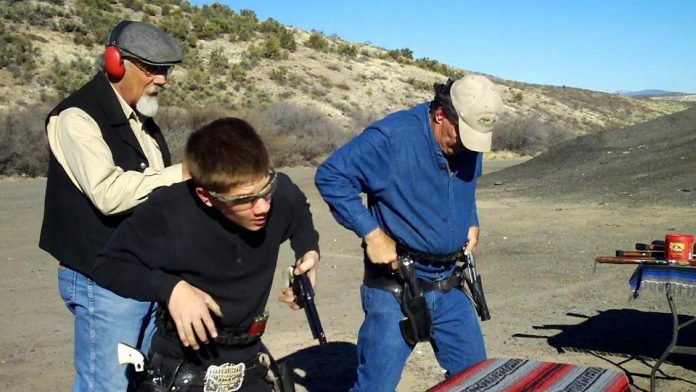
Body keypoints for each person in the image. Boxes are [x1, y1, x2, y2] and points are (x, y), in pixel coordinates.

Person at [91, 117, 320, 392]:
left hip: (249, 360)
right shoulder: (170, 210)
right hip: (184, 367)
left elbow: (299, 212)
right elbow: (108, 265)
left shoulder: (278, 193)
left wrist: (308, 251)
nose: (262, 207)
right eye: (244, 200)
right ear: (207, 196)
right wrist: (172, 289)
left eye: (265, 190)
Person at [314, 74, 503, 391]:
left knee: (477, 380)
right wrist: (372, 233)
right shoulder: (391, 138)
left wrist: (471, 219)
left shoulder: (467, 140)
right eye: (463, 137)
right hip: (397, 286)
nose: (468, 148)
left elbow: (467, 187)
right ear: (441, 115)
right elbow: (331, 176)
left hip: (450, 282)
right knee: (376, 386)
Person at [39, 20, 187, 391]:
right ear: (116, 63)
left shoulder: (142, 118)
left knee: (143, 382)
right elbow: (109, 193)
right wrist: (183, 173)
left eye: (165, 70)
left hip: (143, 274)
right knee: (105, 385)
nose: (163, 80)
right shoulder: (77, 117)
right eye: (152, 69)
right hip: (101, 277)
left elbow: (153, 191)